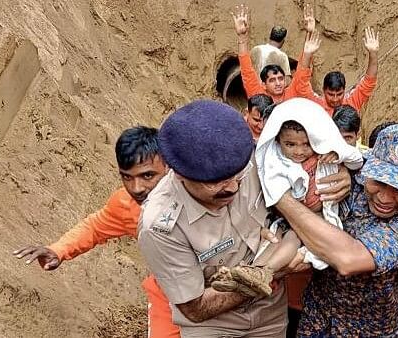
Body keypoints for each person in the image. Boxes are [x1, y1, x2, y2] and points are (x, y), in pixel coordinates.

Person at [136, 99, 352, 337]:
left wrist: (340, 175)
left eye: (238, 175)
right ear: (179, 174)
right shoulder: (160, 226)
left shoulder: (257, 157)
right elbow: (196, 308)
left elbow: (325, 161)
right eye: (215, 182)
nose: (232, 188)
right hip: (215, 325)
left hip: (270, 314)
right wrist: (271, 272)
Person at [274, 124, 398, 336]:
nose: (384, 197)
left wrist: (280, 198)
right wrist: (340, 170)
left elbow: (349, 259)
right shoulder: (357, 165)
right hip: (318, 319)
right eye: (378, 182)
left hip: (369, 330)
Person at [12, 126, 179, 338]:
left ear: (169, 167)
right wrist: (58, 250)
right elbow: (95, 227)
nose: (137, 187)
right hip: (169, 294)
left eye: (147, 175)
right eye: (127, 177)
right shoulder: (126, 204)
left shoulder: (199, 188)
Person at [215, 98, 363, 297]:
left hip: (319, 217)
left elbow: (357, 159)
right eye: (290, 144)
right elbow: (274, 189)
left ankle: (262, 273)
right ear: (277, 140)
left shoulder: (325, 153)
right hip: (288, 220)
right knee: (279, 241)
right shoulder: (272, 160)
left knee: (292, 239)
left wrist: (338, 156)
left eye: (306, 144)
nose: (299, 151)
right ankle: (251, 273)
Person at [234, 5, 319, 103]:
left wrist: (309, 39)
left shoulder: (291, 95)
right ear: (264, 85)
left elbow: (302, 74)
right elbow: (246, 70)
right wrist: (242, 37)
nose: (278, 83)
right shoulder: (258, 96)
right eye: (272, 80)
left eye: (280, 78)